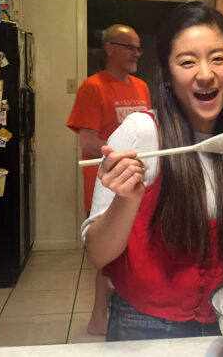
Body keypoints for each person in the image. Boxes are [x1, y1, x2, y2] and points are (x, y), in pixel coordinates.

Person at [81, 1, 223, 341]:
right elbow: (98, 254)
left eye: (218, 58)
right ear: (169, 75)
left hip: (222, 318)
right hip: (144, 325)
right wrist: (127, 200)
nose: (205, 74)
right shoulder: (143, 132)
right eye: (187, 62)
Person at [66, 24, 151, 335]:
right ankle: (98, 314)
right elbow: (88, 144)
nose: (137, 54)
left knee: (134, 245)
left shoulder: (142, 86)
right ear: (110, 48)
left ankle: (125, 308)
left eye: (138, 47)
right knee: (107, 250)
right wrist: (124, 155)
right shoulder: (94, 87)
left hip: (139, 183)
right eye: (130, 47)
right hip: (107, 184)